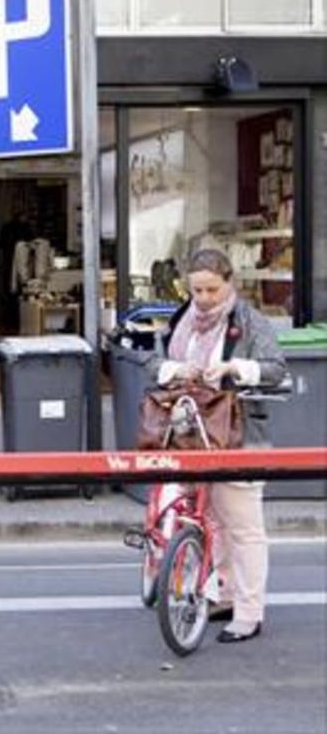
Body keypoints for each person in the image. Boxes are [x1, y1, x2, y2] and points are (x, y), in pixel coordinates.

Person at [147, 248, 287, 644]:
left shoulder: (250, 321)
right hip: (190, 432)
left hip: (239, 435)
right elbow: (153, 364)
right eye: (196, 291)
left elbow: (277, 369)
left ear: (230, 284)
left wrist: (233, 369)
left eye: (211, 289)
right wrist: (177, 370)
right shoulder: (182, 321)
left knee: (243, 528)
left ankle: (248, 612)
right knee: (210, 522)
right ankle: (222, 595)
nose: (204, 299)